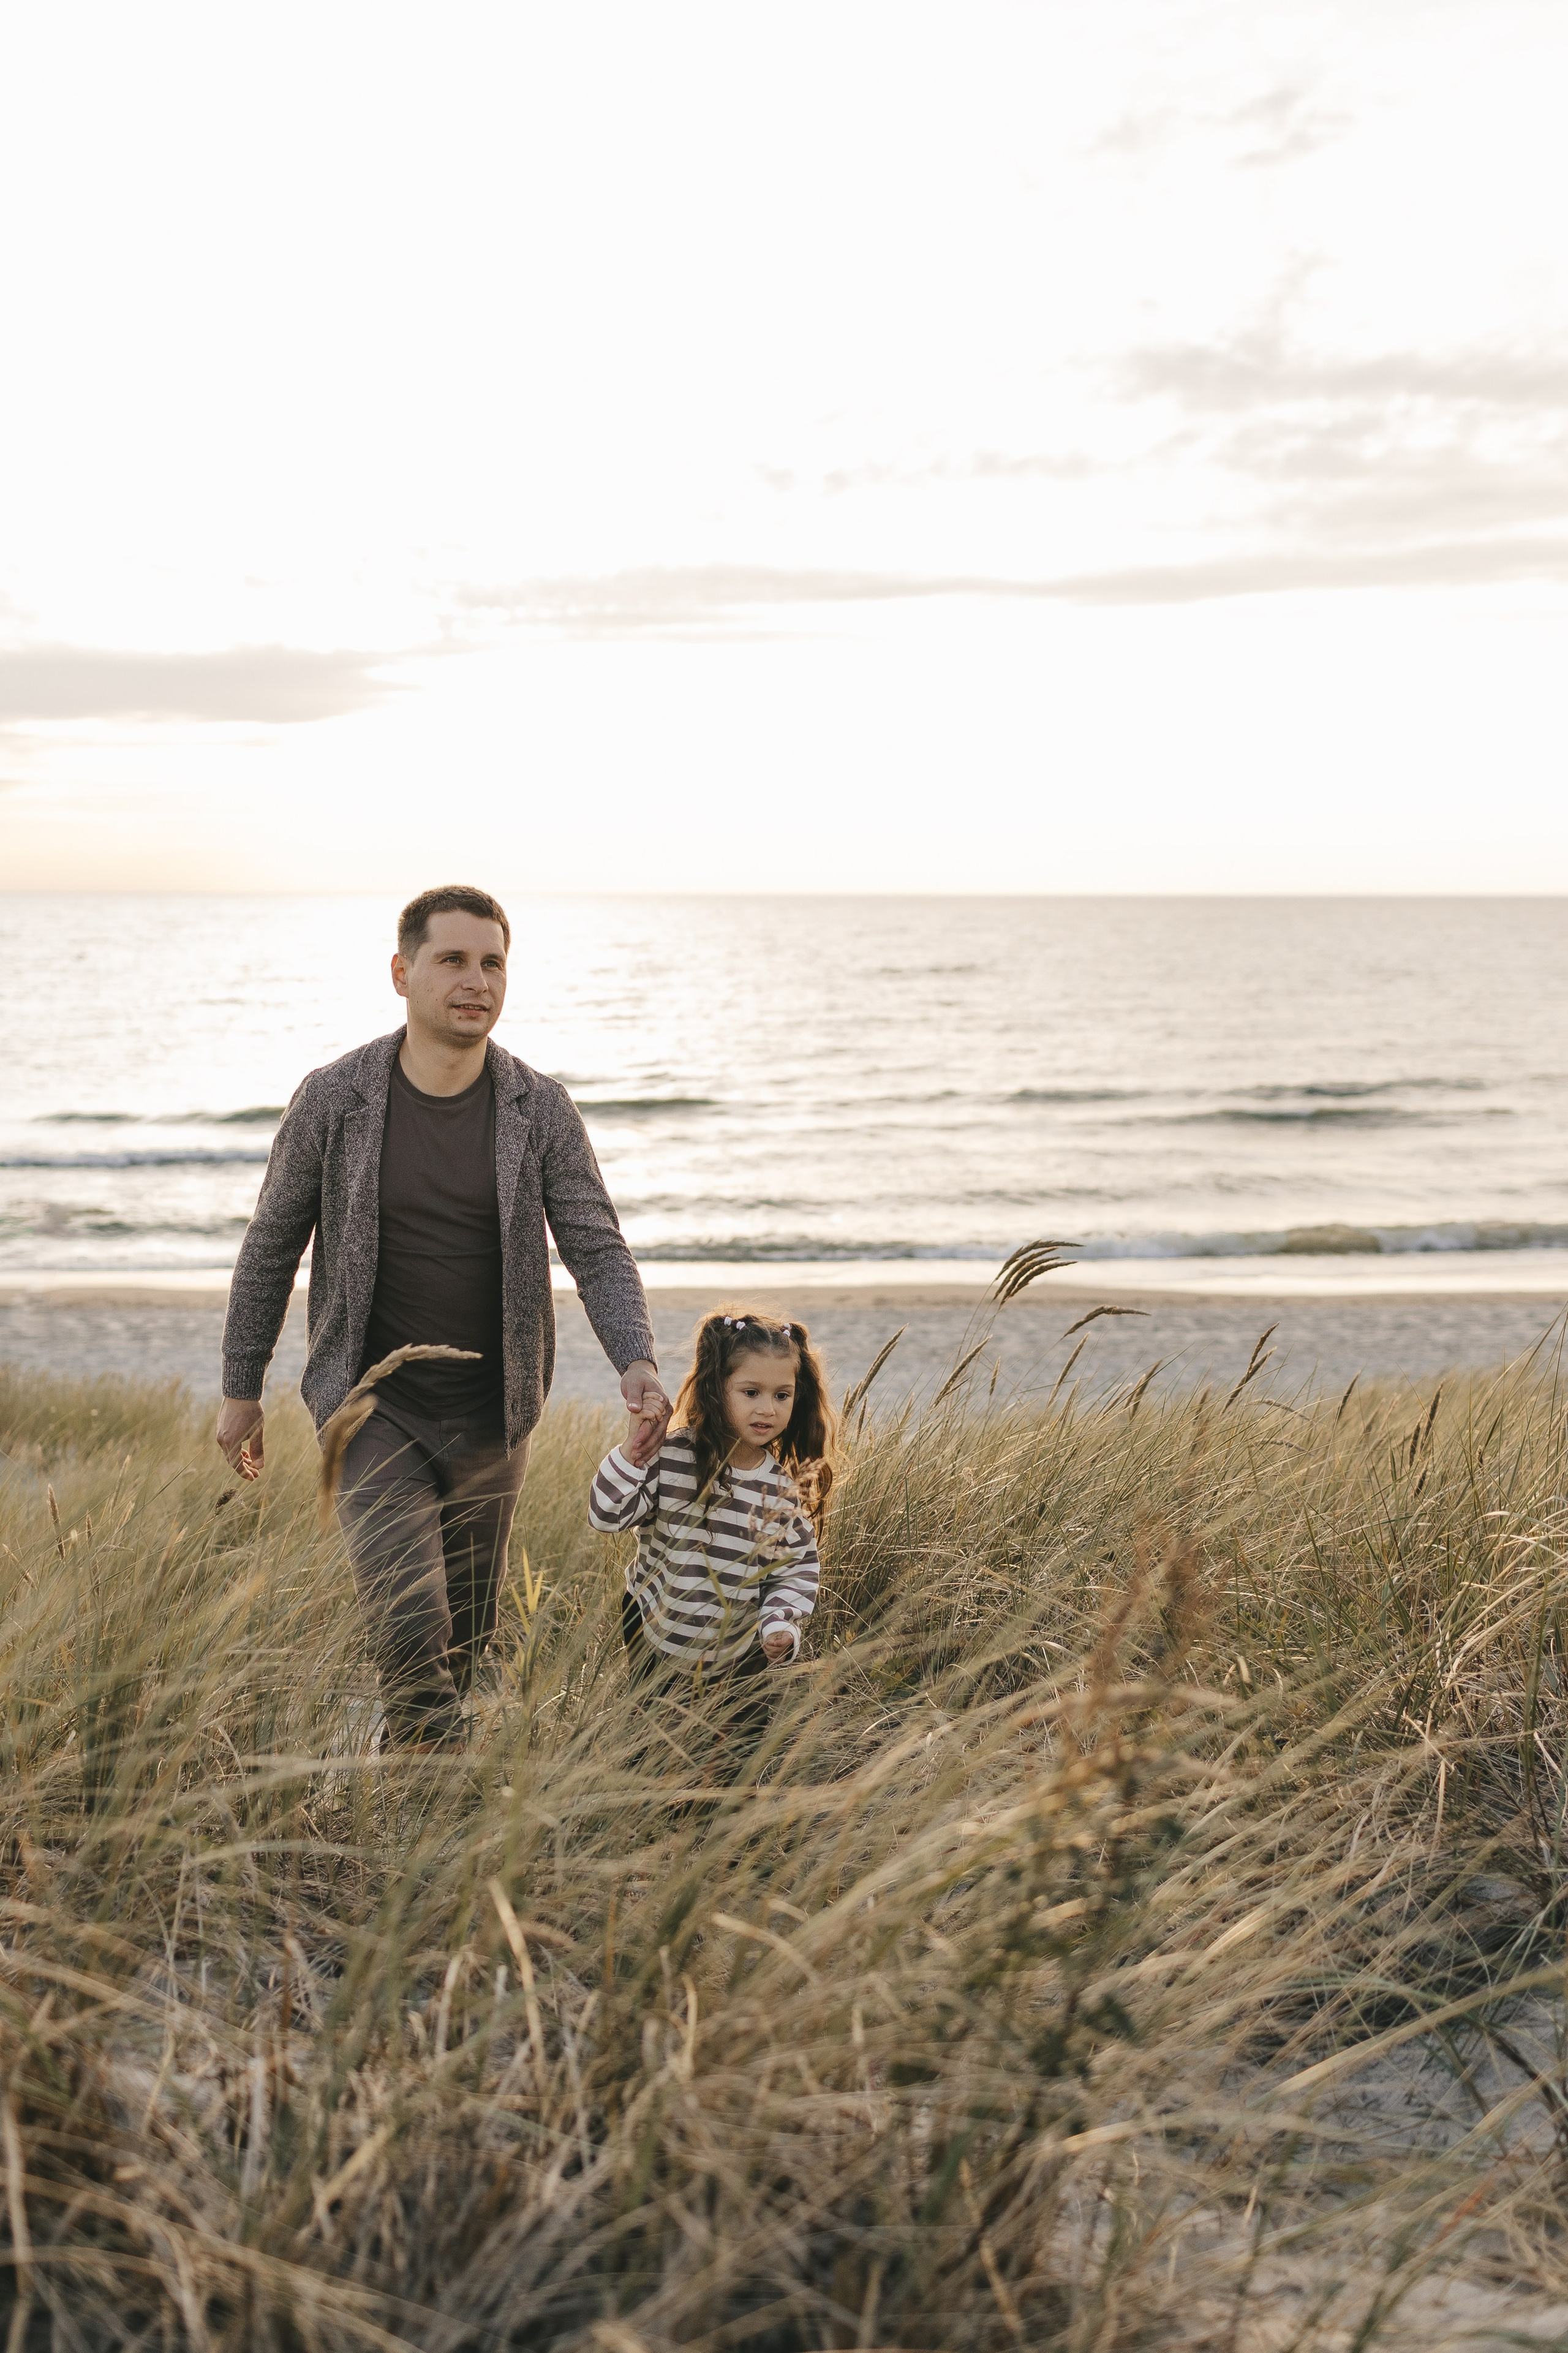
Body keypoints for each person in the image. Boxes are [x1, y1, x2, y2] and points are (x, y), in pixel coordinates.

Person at [215, 883, 670, 1750]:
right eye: (453, 960)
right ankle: (430, 1797)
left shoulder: (540, 1109)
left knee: (468, 1632)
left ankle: (421, 1791)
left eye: (493, 962)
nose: (477, 980)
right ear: (402, 973)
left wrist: (635, 1357)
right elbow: (270, 1244)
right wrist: (242, 1389)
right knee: (409, 1614)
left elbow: (596, 1245)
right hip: (371, 1409)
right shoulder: (333, 1098)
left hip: (493, 1415)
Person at [588, 1308, 836, 1775]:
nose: (767, 1408)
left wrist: (780, 1620)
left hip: (740, 1650)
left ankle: (725, 1836)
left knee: (733, 1758)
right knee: (653, 1747)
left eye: (782, 1394)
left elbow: (796, 1567)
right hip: (656, 1632)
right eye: (750, 1392)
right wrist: (632, 1452)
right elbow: (606, 1514)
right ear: (716, 1388)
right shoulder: (675, 1457)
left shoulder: (779, 1489)